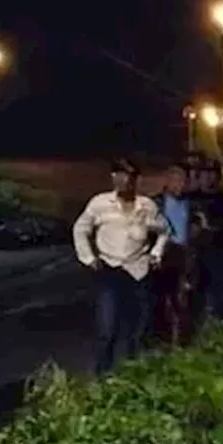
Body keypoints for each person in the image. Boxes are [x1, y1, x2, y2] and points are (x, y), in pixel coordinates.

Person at [72, 159, 169, 373]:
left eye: (131, 177)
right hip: (110, 269)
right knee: (107, 327)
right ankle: (103, 376)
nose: (126, 181)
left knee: (138, 327)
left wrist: (156, 253)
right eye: (121, 176)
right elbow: (80, 229)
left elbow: (164, 230)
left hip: (139, 271)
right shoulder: (100, 204)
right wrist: (88, 258)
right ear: (113, 177)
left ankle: (132, 373)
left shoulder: (146, 206)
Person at [192, 158, 223, 321]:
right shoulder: (192, 199)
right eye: (205, 173)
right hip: (196, 253)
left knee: (221, 290)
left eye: (212, 173)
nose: (209, 177)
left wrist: (218, 228)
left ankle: (220, 323)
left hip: (220, 250)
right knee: (196, 291)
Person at [151, 162, 194, 346]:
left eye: (183, 180)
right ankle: (160, 340)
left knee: (181, 300)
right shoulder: (155, 203)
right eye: (176, 180)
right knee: (159, 299)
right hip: (163, 252)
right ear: (167, 181)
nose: (180, 185)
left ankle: (180, 342)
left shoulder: (192, 204)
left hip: (184, 254)